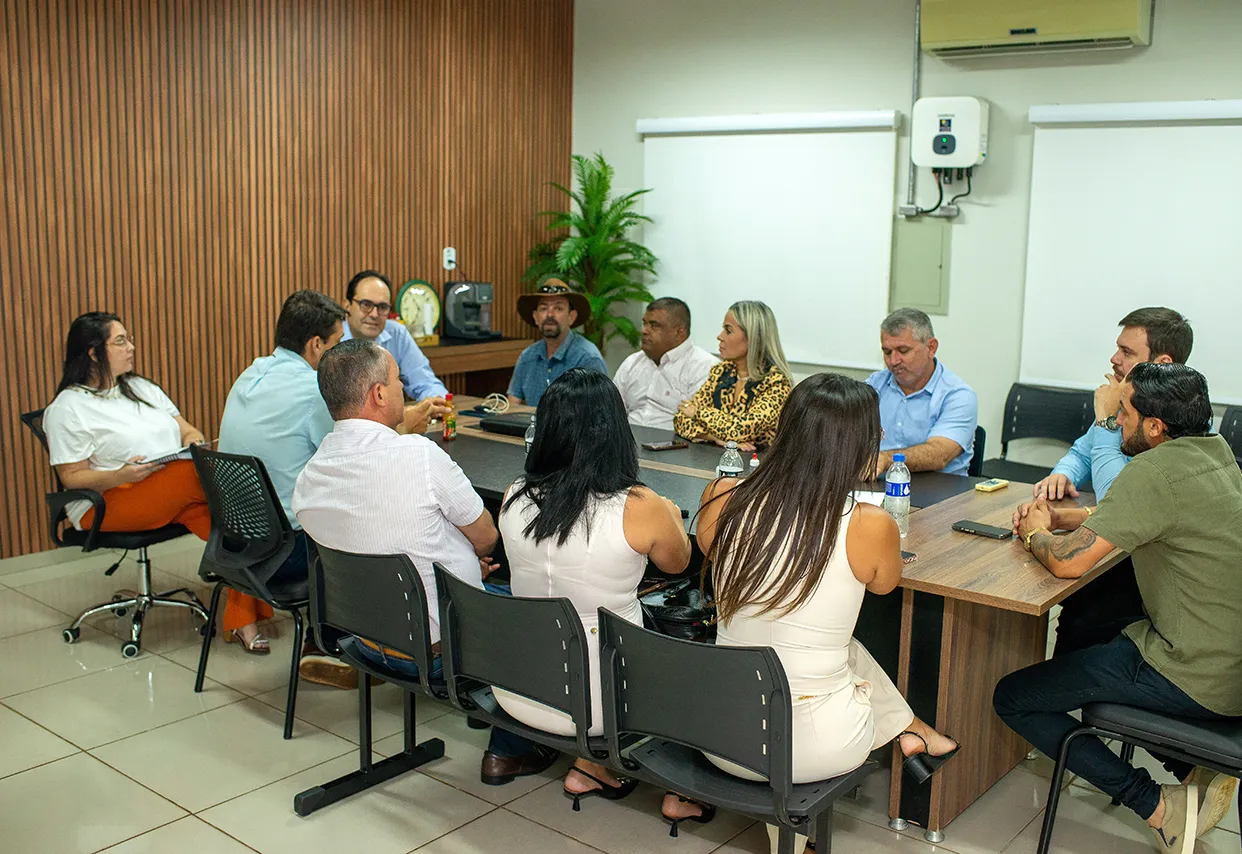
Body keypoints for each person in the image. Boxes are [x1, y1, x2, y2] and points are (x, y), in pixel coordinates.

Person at [697, 373, 959, 853]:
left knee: (826, 648)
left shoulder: (722, 496)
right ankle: (910, 730)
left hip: (718, 733)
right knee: (837, 651)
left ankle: (914, 732)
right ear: (859, 445)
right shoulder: (868, 523)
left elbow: (709, 546)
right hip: (812, 748)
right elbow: (884, 583)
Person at [999, 363, 1242, 851]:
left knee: (1014, 696)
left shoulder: (1153, 471)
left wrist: (1034, 532)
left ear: (1155, 426)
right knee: (1098, 631)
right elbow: (1147, 515)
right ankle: (1188, 771)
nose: (1116, 420)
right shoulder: (1218, 455)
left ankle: (1156, 805)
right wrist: (1065, 517)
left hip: (1191, 672)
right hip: (1228, 661)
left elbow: (1067, 565)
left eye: (1124, 413)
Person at [292, 339, 557, 785]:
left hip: (363, 638)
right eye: (398, 381)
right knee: (547, 616)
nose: (404, 391)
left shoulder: (311, 474)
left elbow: (374, 544)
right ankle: (509, 748)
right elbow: (488, 537)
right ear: (378, 394)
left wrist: (457, 562)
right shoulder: (418, 456)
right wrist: (467, 561)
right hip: (436, 653)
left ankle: (495, 703)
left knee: (479, 581)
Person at [494, 368, 693, 814]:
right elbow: (678, 564)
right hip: (603, 703)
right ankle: (680, 787)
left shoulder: (513, 495)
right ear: (615, 430)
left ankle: (589, 765)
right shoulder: (638, 506)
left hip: (518, 687)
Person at [1030, 307, 1193, 657]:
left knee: (1082, 600)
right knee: (1074, 601)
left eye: (1127, 352)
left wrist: (1105, 418)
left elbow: (1118, 498)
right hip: (1122, 554)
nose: (1114, 358)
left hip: (1148, 575)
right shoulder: (1127, 399)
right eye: (1117, 348)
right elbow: (1082, 451)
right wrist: (1063, 472)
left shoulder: (1172, 418)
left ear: (1163, 362)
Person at [217, 290, 353, 681]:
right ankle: (330, 645)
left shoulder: (251, 373)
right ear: (316, 345)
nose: (339, 353)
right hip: (284, 553)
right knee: (367, 520)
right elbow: (353, 453)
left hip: (235, 543)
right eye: (337, 344)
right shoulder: (312, 390)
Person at [42, 311, 211, 542]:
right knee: (202, 477)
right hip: (106, 500)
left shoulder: (141, 387)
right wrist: (121, 475)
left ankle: (253, 573)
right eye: (120, 342)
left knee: (215, 518)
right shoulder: (67, 408)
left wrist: (194, 443)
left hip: (169, 487)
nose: (131, 347)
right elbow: (71, 477)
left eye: (128, 339)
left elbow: (188, 431)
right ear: (93, 354)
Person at [865, 308, 977, 478]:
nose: (893, 361)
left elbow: (939, 454)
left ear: (931, 348)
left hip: (942, 491)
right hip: (881, 486)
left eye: (903, 351)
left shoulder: (958, 395)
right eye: (887, 352)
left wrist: (887, 460)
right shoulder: (874, 385)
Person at [673, 301, 792, 450]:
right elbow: (680, 420)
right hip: (716, 459)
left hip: (759, 466)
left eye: (728, 331)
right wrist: (715, 437)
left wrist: (696, 412)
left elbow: (741, 430)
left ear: (753, 338)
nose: (720, 336)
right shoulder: (721, 371)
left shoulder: (777, 382)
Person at [341, 270, 449, 401]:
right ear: (347, 305)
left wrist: (436, 402)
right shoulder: (330, 337)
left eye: (382, 307)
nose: (374, 314)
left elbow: (426, 382)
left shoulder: (397, 334)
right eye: (366, 305)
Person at [612, 297, 716, 430]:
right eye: (645, 324)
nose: (644, 331)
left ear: (679, 332)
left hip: (677, 445)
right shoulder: (632, 362)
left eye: (654, 325)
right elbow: (612, 412)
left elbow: (700, 424)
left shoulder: (704, 366)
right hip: (628, 441)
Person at [507, 280, 608, 407]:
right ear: (535, 317)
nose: (550, 314)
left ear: (571, 317)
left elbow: (597, 414)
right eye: (543, 308)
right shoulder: (527, 356)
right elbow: (512, 406)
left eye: (558, 308)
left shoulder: (587, 358)